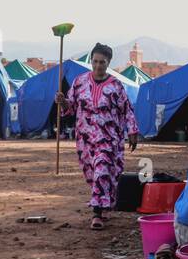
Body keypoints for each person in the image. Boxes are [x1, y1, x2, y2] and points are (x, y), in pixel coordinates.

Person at [56, 43, 139, 230]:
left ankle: (97, 214)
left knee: (102, 169)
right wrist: (62, 102)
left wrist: (133, 131)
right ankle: (105, 204)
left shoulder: (116, 86)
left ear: (108, 63)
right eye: (95, 61)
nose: (98, 65)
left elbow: (127, 110)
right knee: (93, 174)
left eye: (102, 62)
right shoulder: (80, 82)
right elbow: (70, 107)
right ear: (91, 61)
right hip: (85, 138)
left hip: (108, 138)